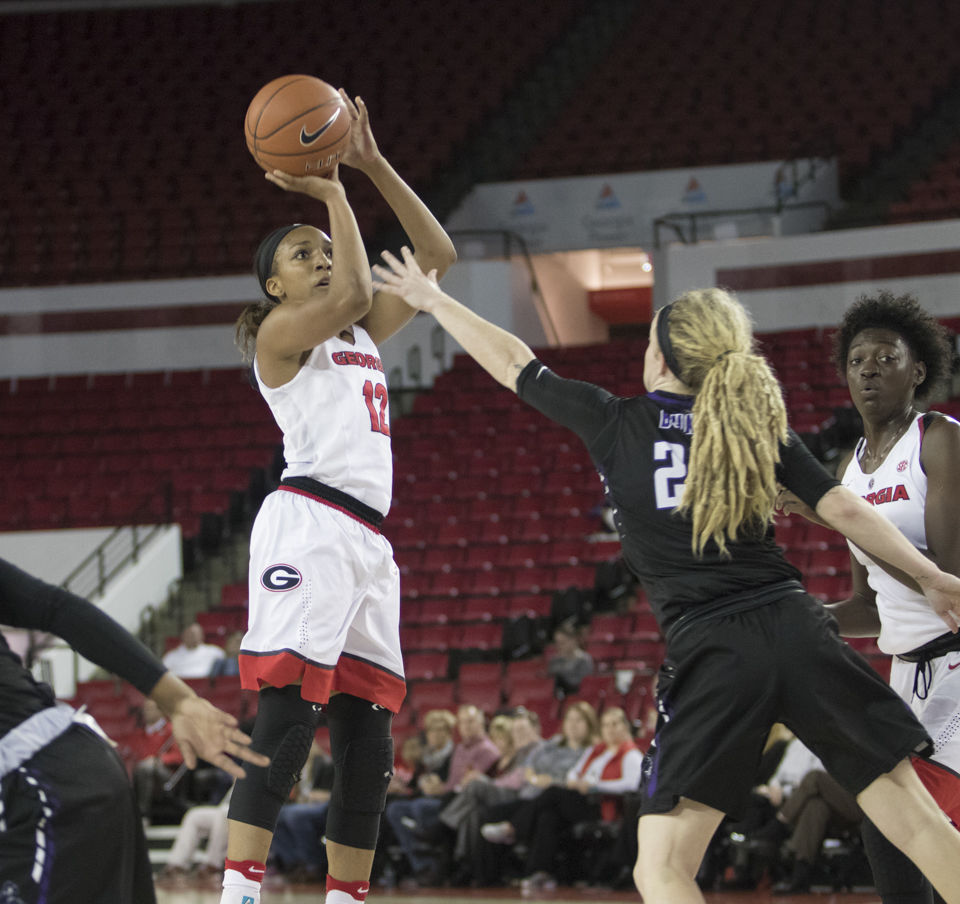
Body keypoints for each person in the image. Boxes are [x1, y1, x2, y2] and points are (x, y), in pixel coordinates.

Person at [370, 249, 960, 904]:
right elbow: (844, 509)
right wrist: (931, 577)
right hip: (799, 628)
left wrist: (434, 300)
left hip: (715, 650)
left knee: (662, 868)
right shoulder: (753, 425)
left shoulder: (618, 421)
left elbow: (515, 363)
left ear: (663, 358)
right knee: (915, 819)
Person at [224, 90, 456, 904]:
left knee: (368, 735)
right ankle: (239, 896)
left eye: (325, 246)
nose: (320, 255)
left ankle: (346, 900)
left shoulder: (356, 333)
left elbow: (437, 253)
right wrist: (327, 192)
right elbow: (355, 293)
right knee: (288, 721)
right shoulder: (280, 338)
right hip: (308, 522)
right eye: (301, 253)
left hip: (366, 540)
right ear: (274, 287)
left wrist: (369, 164)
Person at [777, 291, 960, 904]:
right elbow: (871, 608)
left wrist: (837, 520)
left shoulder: (939, 440)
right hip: (908, 674)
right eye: (857, 360)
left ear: (920, 371)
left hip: (957, 659)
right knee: (893, 828)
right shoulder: (851, 472)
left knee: (911, 819)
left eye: (887, 356)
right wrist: (795, 624)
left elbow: (947, 582)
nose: (870, 369)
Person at [0, 556, 268, 904]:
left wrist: (179, 700)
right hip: (78, 767)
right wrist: (178, 699)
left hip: (43, 785)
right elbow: (56, 607)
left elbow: (55, 608)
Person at [480, 706, 642, 890]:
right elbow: (575, 772)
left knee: (553, 792)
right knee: (547, 816)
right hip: (582, 799)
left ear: (625, 727)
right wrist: (575, 780)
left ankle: (512, 828)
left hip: (602, 806)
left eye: (615, 724)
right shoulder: (597, 751)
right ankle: (539, 872)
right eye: (606, 725)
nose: (610, 729)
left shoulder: (631, 754)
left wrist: (596, 785)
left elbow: (632, 785)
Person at [383, 704, 499, 887]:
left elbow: (467, 787)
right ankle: (423, 864)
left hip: (461, 801)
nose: (467, 726)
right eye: (463, 723)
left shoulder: (487, 750)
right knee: (394, 809)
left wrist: (438, 789)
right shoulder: (460, 749)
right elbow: (451, 784)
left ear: (481, 723)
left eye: (471, 722)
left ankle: (433, 854)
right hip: (447, 796)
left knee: (420, 807)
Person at [547, 621, 594, 695]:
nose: (558, 646)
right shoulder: (554, 660)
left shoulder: (584, 660)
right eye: (556, 643)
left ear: (573, 640)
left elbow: (582, 685)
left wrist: (561, 677)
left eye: (562, 643)